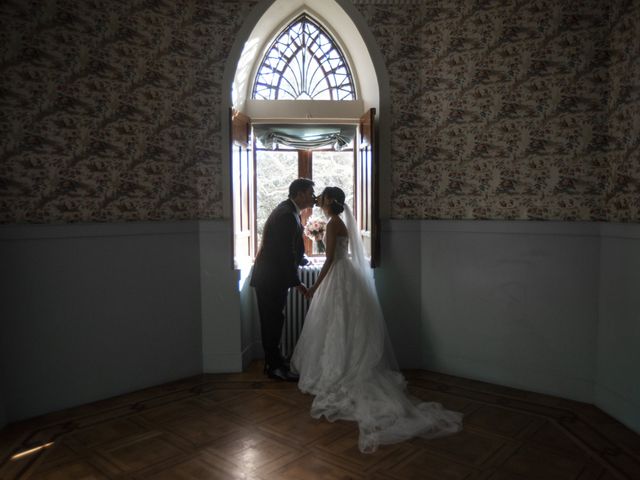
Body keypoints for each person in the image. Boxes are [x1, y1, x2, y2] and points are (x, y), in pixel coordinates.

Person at [291, 186, 463, 453]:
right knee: (345, 326)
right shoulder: (337, 222)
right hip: (346, 276)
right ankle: (344, 363)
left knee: (338, 324)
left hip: (337, 275)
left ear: (329, 202)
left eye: (321, 198)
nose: (317, 201)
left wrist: (313, 289)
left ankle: (339, 370)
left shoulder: (333, 224)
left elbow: (327, 262)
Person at [250, 178, 316, 381]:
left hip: (272, 277)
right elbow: (284, 252)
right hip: (270, 278)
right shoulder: (287, 214)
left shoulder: (288, 211)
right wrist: (297, 282)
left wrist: (302, 259)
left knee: (275, 320)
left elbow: (290, 245)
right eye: (310, 193)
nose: (313, 197)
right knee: (272, 321)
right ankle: (274, 368)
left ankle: (276, 362)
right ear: (299, 194)